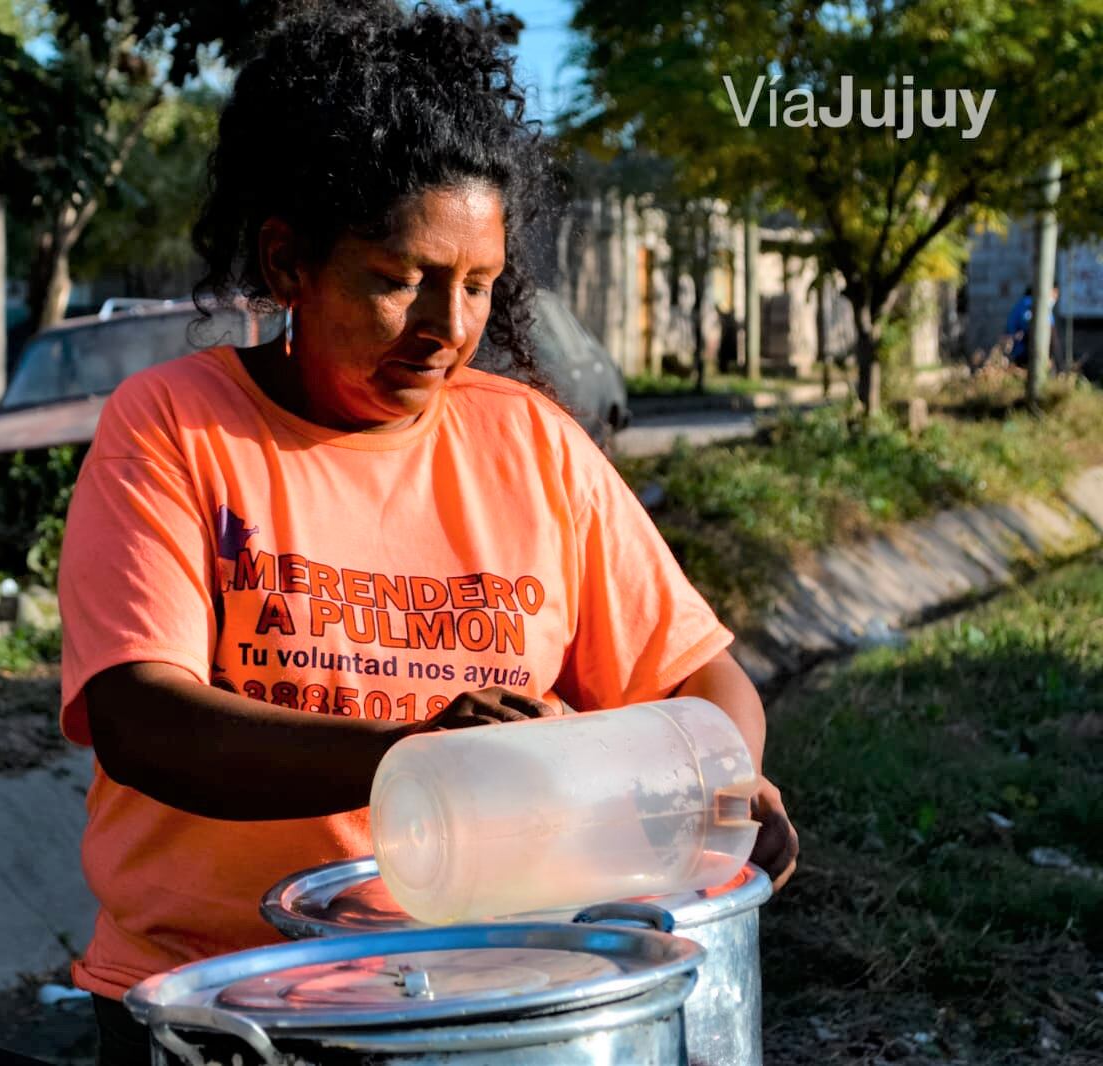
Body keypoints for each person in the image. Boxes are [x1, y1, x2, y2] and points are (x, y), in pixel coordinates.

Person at [56, 5, 799, 1062]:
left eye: (479, 285)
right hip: (224, 1004)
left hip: (488, 995)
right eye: (398, 279)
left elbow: (703, 681)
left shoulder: (531, 447)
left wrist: (713, 782)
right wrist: (415, 761)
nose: (449, 329)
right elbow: (142, 716)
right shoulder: (175, 428)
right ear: (285, 262)